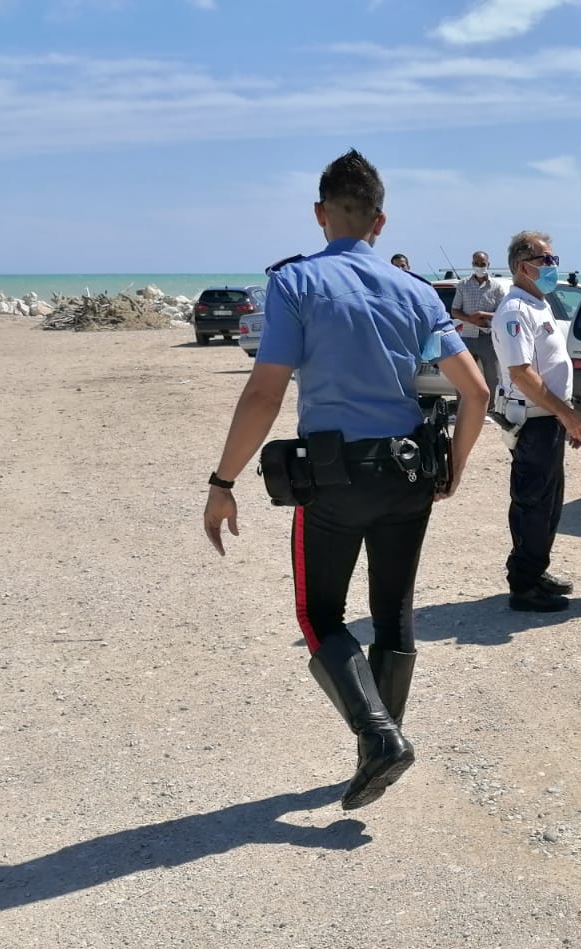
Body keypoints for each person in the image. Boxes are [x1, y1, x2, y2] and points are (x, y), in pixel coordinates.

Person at [201, 149, 492, 812]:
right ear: (380, 222)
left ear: (319, 214)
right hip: (409, 475)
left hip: (334, 480)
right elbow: (475, 392)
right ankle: (381, 743)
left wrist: (223, 480)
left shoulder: (296, 284)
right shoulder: (417, 291)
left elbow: (264, 395)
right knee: (392, 612)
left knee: (318, 614)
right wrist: (455, 467)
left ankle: (378, 738)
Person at [490, 231, 581, 612]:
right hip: (532, 420)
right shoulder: (516, 310)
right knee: (532, 502)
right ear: (523, 266)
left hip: (549, 418)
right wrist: (567, 414)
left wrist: (565, 415)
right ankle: (524, 585)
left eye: (553, 259)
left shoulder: (538, 303)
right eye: (546, 260)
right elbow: (522, 374)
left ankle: (536, 568)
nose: (553, 266)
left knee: (549, 504)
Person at [451, 250, 509, 395]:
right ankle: (463, 409)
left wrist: (484, 315)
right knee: (464, 377)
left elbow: (502, 313)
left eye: (482, 264)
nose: (479, 266)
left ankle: (490, 411)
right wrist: (469, 319)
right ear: (472, 264)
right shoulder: (463, 285)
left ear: (488, 264)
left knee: (492, 378)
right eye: (476, 264)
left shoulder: (496, 287)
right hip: (467, 337)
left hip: (488, 338)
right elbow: (455, 310)